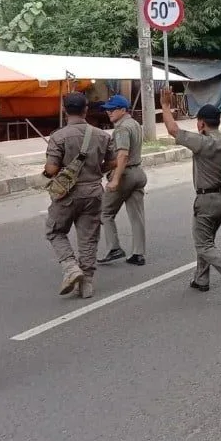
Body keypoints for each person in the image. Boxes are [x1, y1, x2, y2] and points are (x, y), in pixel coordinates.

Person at [160, 88, 221, 300]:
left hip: (207, 200)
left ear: (201, 123)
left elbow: (173, 130)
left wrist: (164, 106)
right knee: (207, 240)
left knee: (203, 243)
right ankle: (201, 279)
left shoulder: (202, 142)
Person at [43, 93, 116, 298]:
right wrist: (96, 171)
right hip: (93, 192)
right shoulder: (102, 135)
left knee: (55, 231)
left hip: (66, 195)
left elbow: (51, 168)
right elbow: (113, 162)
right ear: (86, 110)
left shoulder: (58, 136)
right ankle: (87, 283)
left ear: (65, 110)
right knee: (89, 237)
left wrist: (52, 174)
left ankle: (71, 267)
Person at [98, 95, 147, 266]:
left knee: (104, 213)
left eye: (112, 109)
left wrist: (115, 179)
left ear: (123, 110)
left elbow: (123, 155)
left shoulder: (121, 129)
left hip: (125, 174)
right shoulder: (134, 124)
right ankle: (138, 254)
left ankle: (114, 248)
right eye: (107, 109)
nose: (108, 112)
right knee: (137, 216)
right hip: (138, 172)